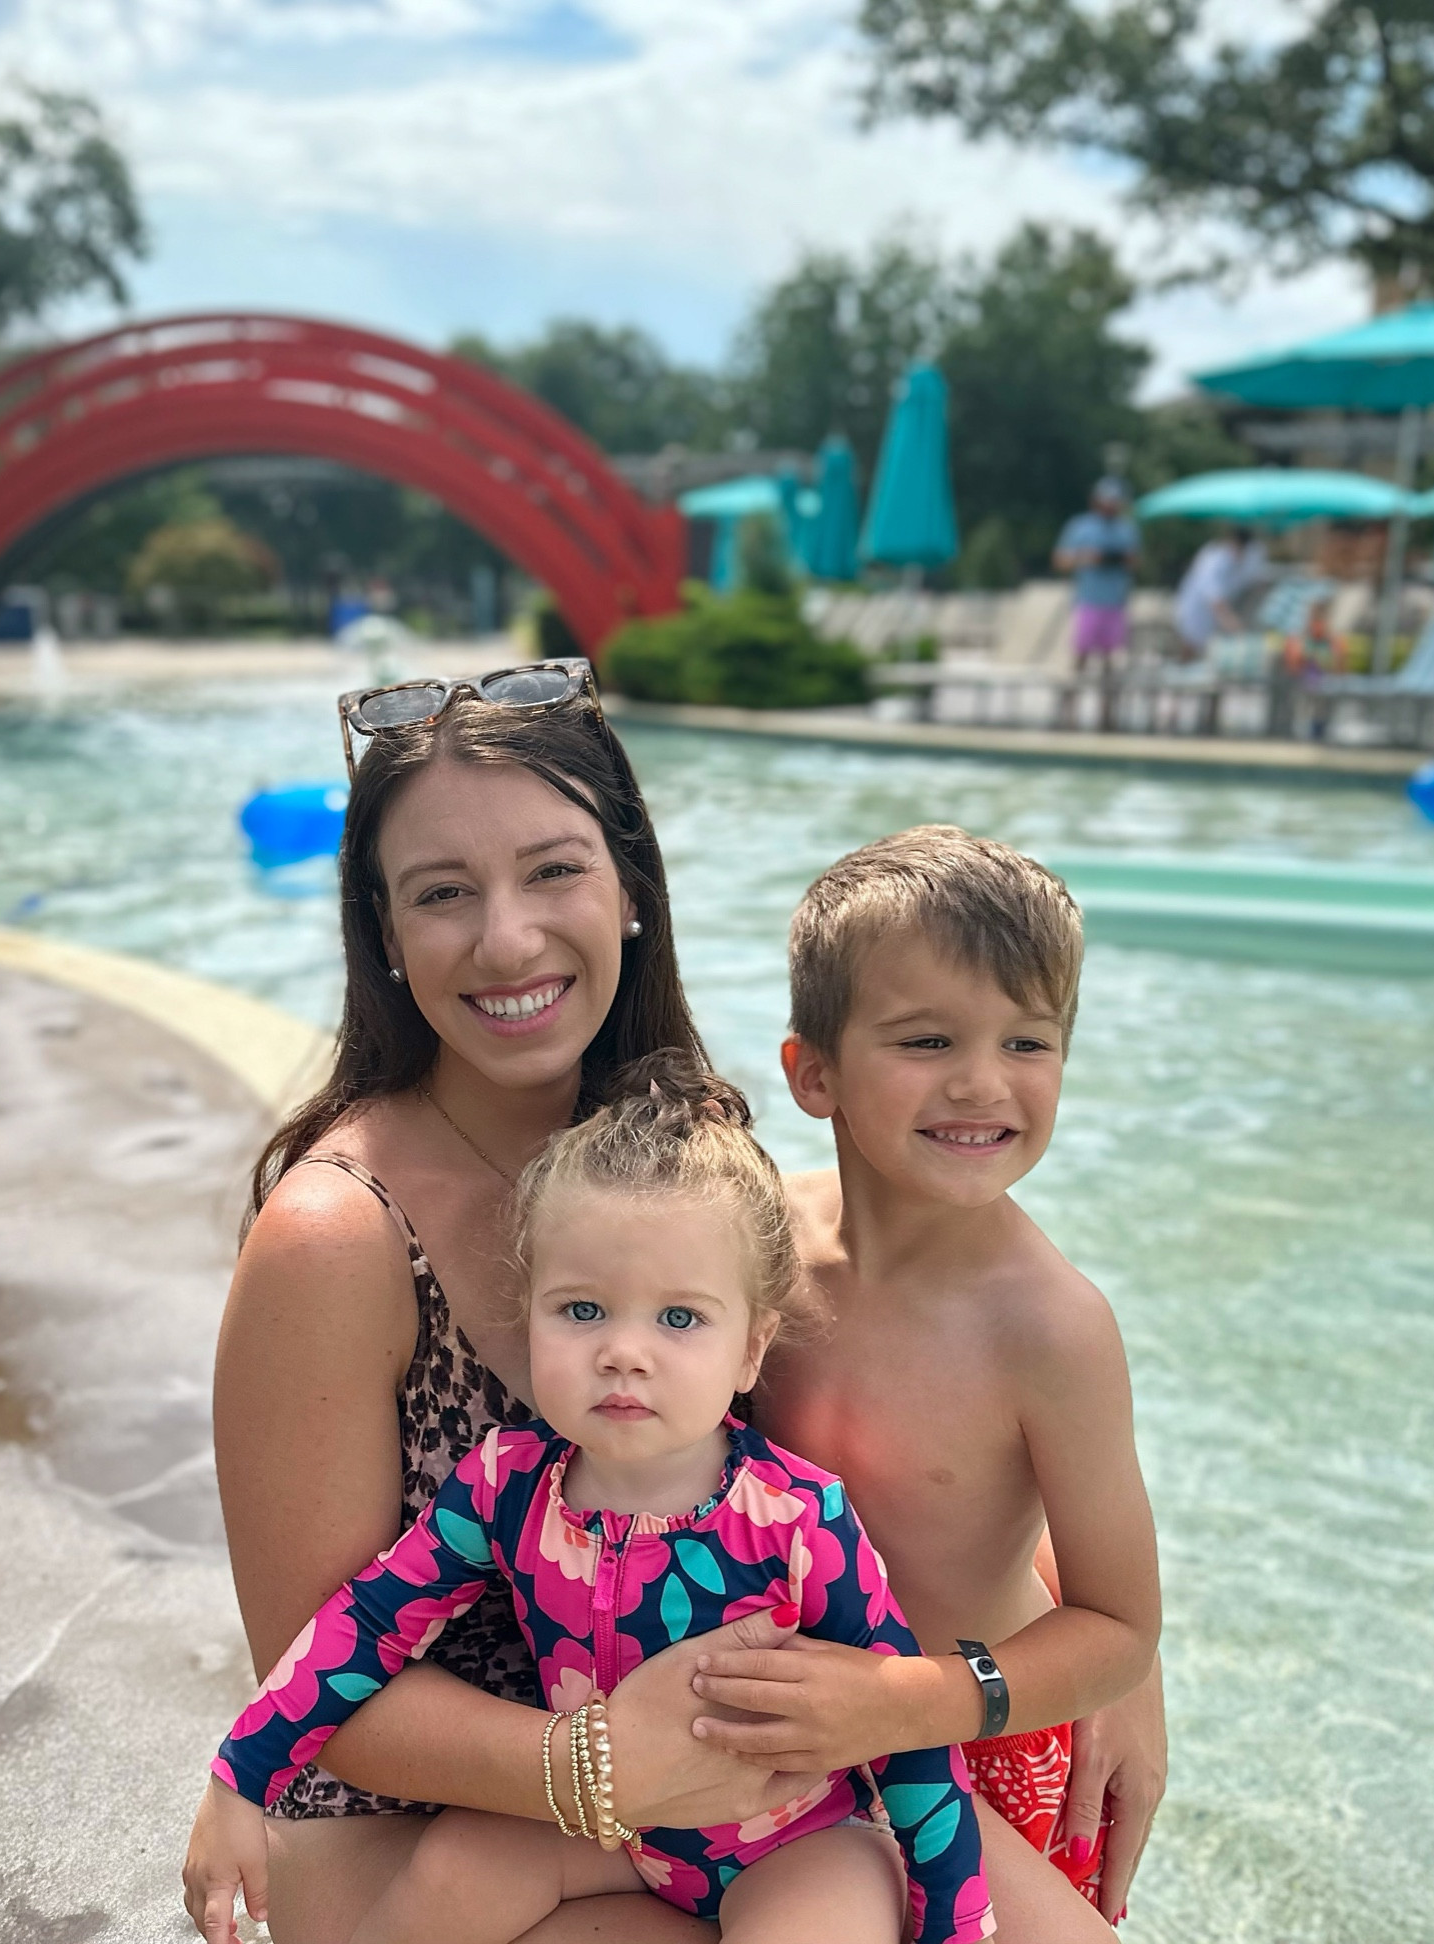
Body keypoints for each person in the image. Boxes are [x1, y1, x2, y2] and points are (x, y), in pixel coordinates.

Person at [205, 661, 1162, 1944]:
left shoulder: (678, 1166)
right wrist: (597, 1764)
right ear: (383, 933)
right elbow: (323, 1677)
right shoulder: (339, 1235)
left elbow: (918, 1448)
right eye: (442, 893)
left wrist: (1084, 1659)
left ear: (632, 892)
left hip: (745, 1783)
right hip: (436, 1848)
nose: (505, 937)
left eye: (553, 869)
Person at [186, 1060, 992, 1944]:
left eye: (678, 1319)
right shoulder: (505, 1488)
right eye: (581, 1310)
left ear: (752, 1349)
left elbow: (904, 1733)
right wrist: (240, 1777)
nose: (623, 1353)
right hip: (618, 1829)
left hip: (794, 1840)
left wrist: (954, 1926)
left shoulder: (799, 1521)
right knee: (456, 1871)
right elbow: (370, 1625)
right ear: (526, 1313)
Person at [688, 829, 1163, 1935]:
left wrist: (905, 1699)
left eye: (1027, 1040)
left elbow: (1118, 1623)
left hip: (976, 1733)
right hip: (789, 1729)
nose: (980, 1082)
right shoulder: (755, 1241)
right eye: (926, 1038)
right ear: (812, 1072)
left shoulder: (1049, 1327)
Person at [1053, 480, 1140, 671]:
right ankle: (1069, 700)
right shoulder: (1080, 526)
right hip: (1088, 600)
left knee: (1111, 659)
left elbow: (1134, 562)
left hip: (1116, 602)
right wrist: (1087, 558)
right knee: (1081, 655)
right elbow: (1060, 561)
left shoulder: (1127, 529)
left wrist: (1116, 559)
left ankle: (1108, 702)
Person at [1174, 526, 1265, 659]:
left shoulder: (1240, 559)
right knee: (1190, 650)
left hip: (1208, 622)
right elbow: (1217, 603)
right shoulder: (1214, 560)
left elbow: (1250, 583)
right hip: (1193, 615)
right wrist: (1238, 629)